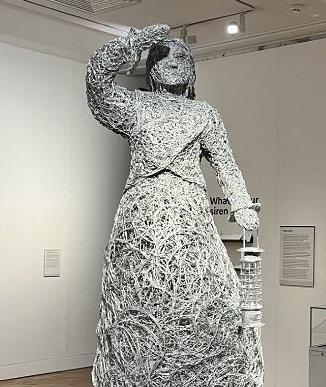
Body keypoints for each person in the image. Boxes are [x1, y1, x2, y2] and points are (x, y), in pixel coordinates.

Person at [86, 24, 263, 386]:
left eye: (184, 56)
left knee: (201, 298)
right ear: (150, 68)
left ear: (194, 70)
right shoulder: (135, 105)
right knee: (140, 303)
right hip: (143, 216)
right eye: (165, 55)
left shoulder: (204, 114)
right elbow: (98, 83)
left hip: (189, 216)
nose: (176, 62)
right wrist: (134, 42)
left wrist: (242, 204)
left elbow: (224, 162)